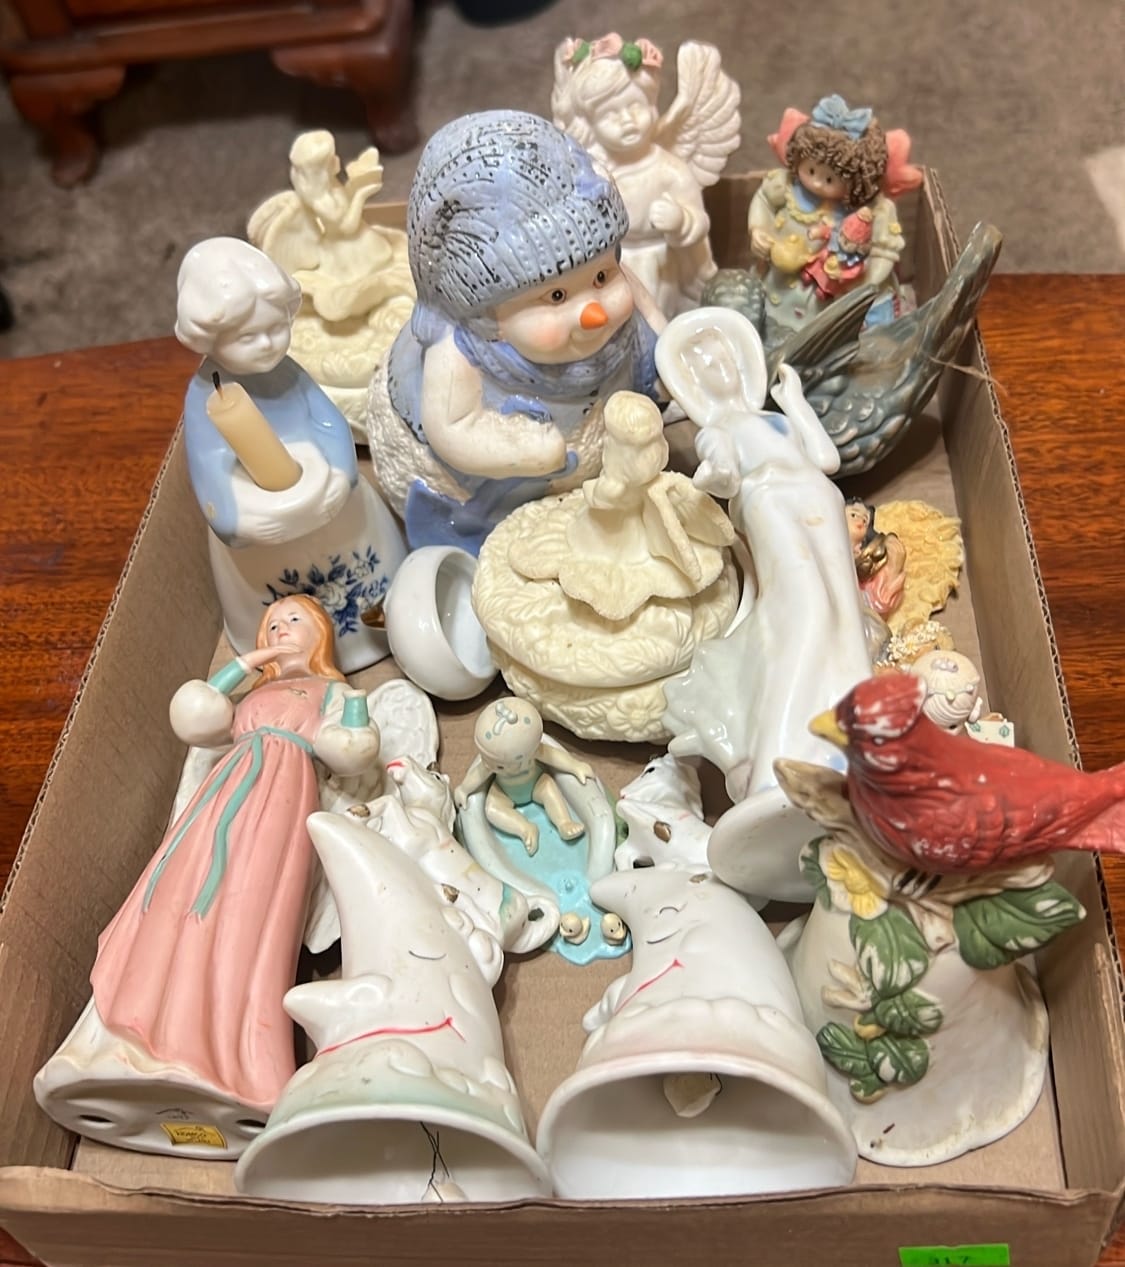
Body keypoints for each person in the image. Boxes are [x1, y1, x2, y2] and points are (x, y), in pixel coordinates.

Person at [89, 595, 380, 1113]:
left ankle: (231, 1054)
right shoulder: (254, 691)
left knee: (248, 907)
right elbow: (196, 717)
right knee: (182, 887)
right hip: (224, 788)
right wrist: (246, 664)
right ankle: (141, 1026)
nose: (281, 629)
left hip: (281, 794)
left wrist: (355, 707)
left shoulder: (329, 691)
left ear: (320, 633)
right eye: (272, 624)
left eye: (294, 620)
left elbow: (349, 752)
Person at [365, 110, 665, 554]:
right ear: (488, 315)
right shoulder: (458, 349)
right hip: (495, 491)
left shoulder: (611, 300)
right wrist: (521, 449)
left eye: (603, 276)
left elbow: (652, 321)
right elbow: (451, 427)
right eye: (557, 297)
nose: (594, 313)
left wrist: (668, 358)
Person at [175, 237, 405, 670]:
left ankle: (382, 620)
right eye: (248, 336)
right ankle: (286, 652)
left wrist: (340, 476)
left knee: (366, 563)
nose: (267, 344)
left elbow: (329, 424)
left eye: (276, 328)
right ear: (209, 338)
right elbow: (209, 468)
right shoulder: (206, 399)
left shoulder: (291, 376)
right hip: (262, 542)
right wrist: (240, 521)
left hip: (336, 510)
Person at [552, 34, 739, 318]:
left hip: (660, 267)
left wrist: (680, 221)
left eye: (635, 106)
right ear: (590, 124)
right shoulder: (592, 171)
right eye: (610, 115)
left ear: (652, 106)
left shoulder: (670, 169)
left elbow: (698, 221)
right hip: (610, 266)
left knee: (654, 319)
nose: (627, 120)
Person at [748, 94, 922, 337]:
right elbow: (764, 201)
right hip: (780, 283)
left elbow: (883, 252)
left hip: (836, 293)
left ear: (856, 181)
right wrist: (758, 229)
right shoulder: (784, 185)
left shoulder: (872, 210)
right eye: (810, 170)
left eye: (830, 179)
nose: (818, 183)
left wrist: (862, 285)